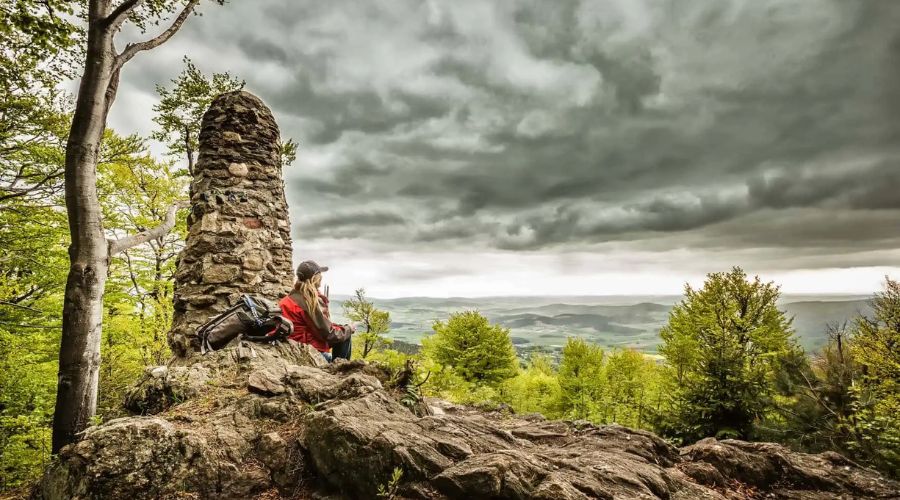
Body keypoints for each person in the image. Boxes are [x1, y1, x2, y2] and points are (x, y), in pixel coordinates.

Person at [279, 260, 354, 361]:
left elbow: (321, 326)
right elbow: (328, 334)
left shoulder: (290, 298)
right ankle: (339, 369)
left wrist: (342, 328)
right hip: (307, 350)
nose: (322, 277)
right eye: (320, 274)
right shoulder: (308, 302)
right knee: (345, 335)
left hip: (295, 345)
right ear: (314, 278)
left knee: (343, 331)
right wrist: (349, 329)